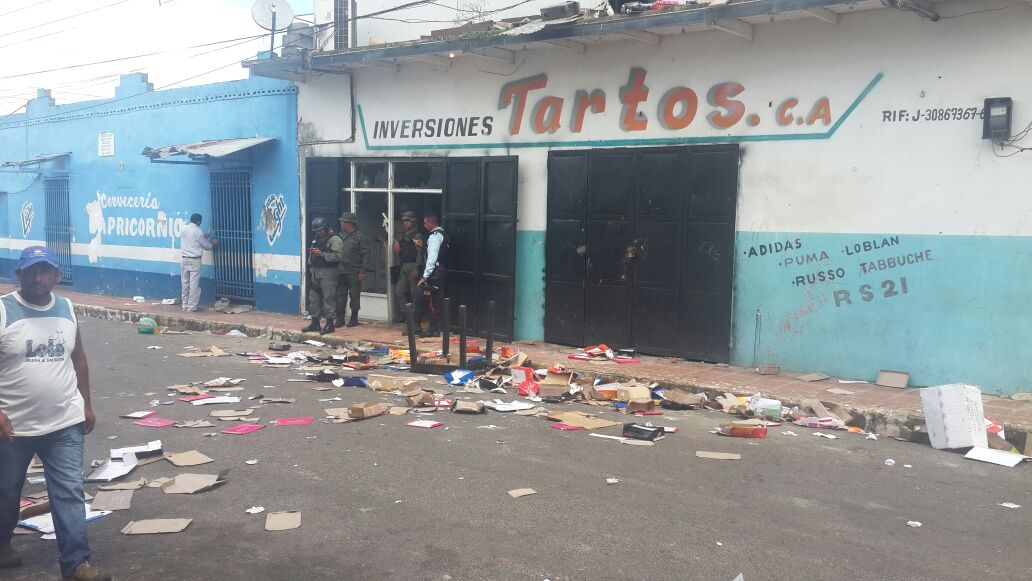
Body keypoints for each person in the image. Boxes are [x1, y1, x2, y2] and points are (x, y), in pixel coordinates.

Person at [0, 246, 111, 581]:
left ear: (56, 275)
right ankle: (2, 545)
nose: (38, 278)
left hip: (64, 421)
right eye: (31, 271)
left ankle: (77, 563)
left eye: (45, 271)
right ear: (18, 275)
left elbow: (78, 358)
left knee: (68, 491)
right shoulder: (4, 311)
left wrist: (86, 403)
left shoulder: (67, 308)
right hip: (13, 427)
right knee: (6, 489)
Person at [303, 217, 343, 335]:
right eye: (316, 231)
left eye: (320, 230)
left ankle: (329, 324)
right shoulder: (316, 239)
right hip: (316, 272)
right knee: (313, 298)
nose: (317, 233)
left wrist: (322, 254)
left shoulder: (334, 239)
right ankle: (315, 323)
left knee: (328, 298)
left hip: (329, 273)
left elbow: (338, 256)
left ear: (325, 228)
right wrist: (311, 264)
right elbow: (311, 254)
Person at [335, 213, 371, 328]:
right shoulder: (340, 236)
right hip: (341, 271)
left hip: (354, 271)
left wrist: (362, 271)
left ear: (349, 223)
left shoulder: (360, 237)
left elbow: (366, 256)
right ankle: (340, 318)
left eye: (343, 222)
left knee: (354, 295)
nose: (341, 224)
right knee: (340, 295)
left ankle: (354, 318)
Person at [392, 211, 425, 331]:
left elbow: (420, 252)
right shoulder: (403, 235)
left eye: (408, 220)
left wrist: (417, 267)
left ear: (413, 222)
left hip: (412, 267)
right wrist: (395, 241)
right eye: (404, 221)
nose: (405, 223)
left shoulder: (417, 235)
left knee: (416, 295)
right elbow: (397, 241)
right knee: (399, 292)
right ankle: (408, 317)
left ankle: (415, 324)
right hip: (404, 266)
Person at [417, 214, 448, 337]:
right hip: (439, 272)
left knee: (433, 302)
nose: (424, 226)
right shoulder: (441, 234)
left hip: (435, 274)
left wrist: (425, 275)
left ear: (431, 223)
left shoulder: (435, 236)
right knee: (435, 301)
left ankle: (434, 329)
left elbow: (432, 257)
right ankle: (434, 328)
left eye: (425, 223)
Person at [180, 213, 218, 312]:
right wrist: (213, 244)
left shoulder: (184, 228)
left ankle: (184, 305)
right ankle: (192, 307)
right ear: (199, 221)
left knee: (185, 284)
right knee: (194, 285)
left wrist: (204, 235)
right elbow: (206, 246)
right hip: (194, 260)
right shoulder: (198, 231)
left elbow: (193, 239)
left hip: (184, 259)